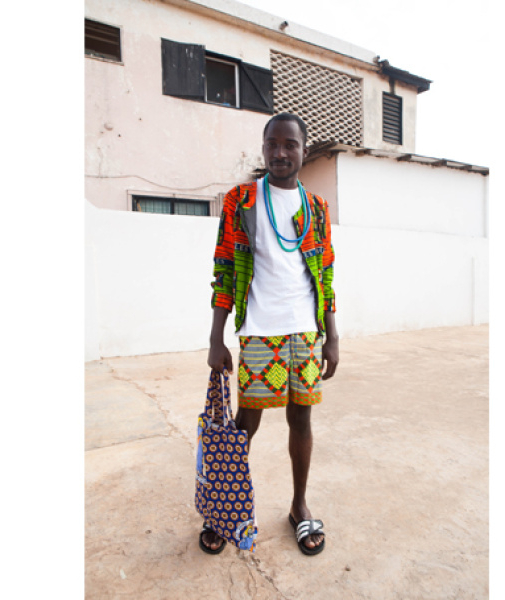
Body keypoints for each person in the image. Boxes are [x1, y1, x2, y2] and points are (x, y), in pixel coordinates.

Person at [201, 113, 338, 556]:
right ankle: (225, 508)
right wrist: (217, 337)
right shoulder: (241, 200)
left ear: (303, 149)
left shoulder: (316, 208)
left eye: (290, 144)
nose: (280, 152)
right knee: (245, 425)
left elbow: (325, 274)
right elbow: (225, 268)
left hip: (305, 332)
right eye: (272, 144)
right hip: (260, 333)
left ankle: (299, 506)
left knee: (302, 420)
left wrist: (332, 336)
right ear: (263, 149)